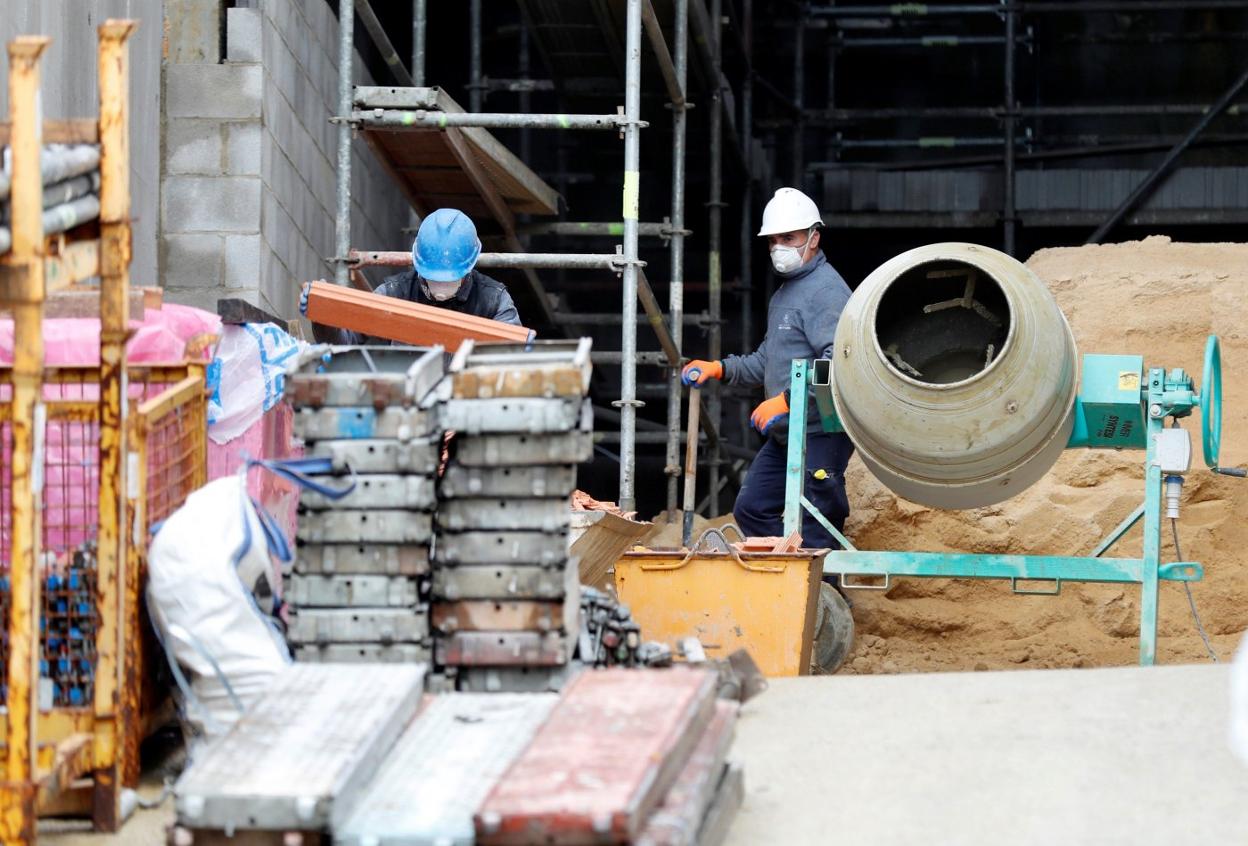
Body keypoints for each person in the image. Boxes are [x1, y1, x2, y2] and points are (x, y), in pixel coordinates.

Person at [681, 187, 855, 551]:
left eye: (788, 238)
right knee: (752, 509)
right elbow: (768, 358)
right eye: (773, 240)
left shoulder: (826, 292)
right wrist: (719, 368)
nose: (779, 247)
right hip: (786, 435)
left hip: (821, 432)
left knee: (818, 520)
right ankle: (791, 572)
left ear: (813, 237)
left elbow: (839, 363)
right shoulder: (787, 292)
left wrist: (789, 401)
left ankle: (826, 599)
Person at [301, 207, 521, 343]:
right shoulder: (395, 294)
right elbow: (346, 343)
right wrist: (323, 317)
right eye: (434, 278)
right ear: (419, 266)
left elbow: (514, 358)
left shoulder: (493, 301)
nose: (441, 286)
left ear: (468, 268)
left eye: (449, 279)